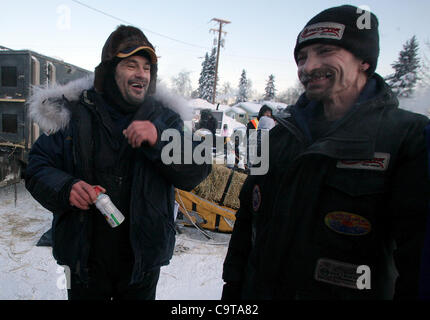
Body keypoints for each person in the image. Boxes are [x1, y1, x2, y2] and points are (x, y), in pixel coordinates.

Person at [222, 5, 430, 300]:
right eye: (302, 58)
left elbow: (417, 265)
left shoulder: (408, 139)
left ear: (364, 61)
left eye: (325, 51)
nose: (308, 67)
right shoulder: (280, 137)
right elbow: (247, 227)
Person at [25, 25, 211, 300]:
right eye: (131, 65)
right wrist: (67, 187)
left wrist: (159, 139)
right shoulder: (76, 114)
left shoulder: (165, 119)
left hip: (141, 267)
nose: (141, 74)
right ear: (109, 71)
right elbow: (37, 166)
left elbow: (198, 168)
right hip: (85, 265)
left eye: (147, 67)